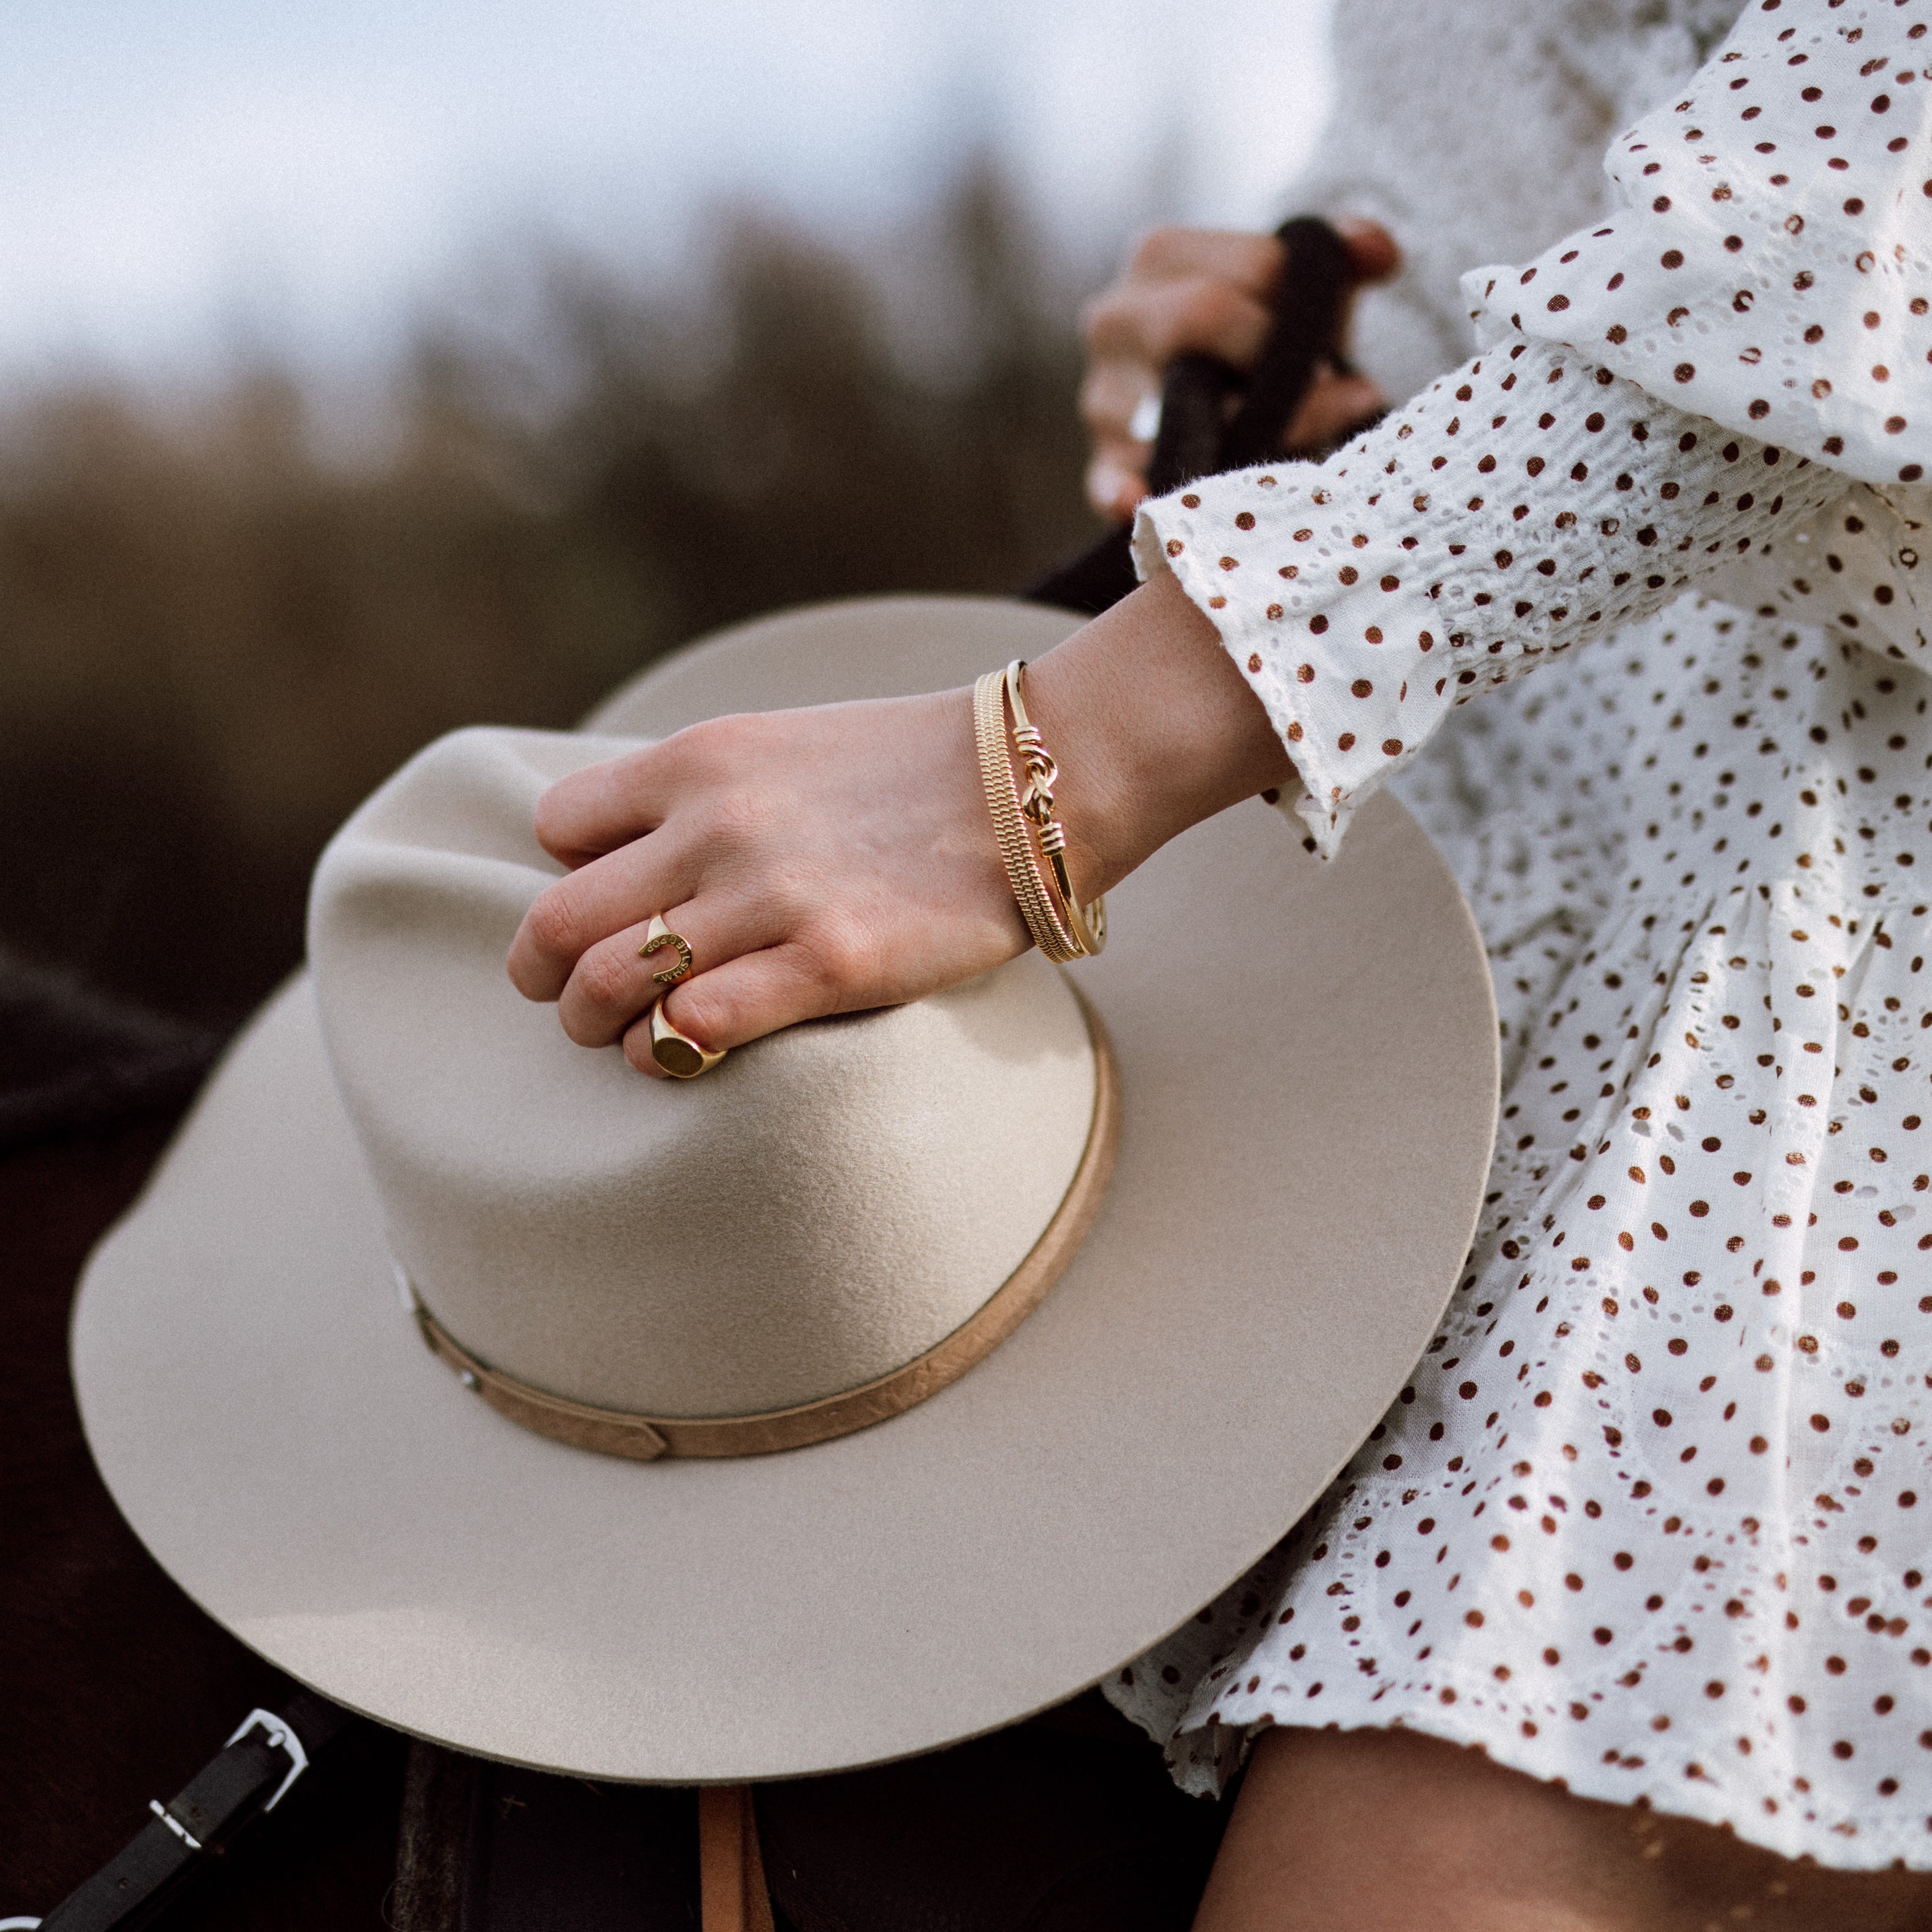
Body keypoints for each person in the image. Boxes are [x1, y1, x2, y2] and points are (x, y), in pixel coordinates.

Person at [506, 0, 1932, 1923]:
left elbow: (1844, 236)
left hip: (1836, 996)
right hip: (1522, 940)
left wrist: (1049, 759)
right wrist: (1326, 367)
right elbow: (1518, 236)